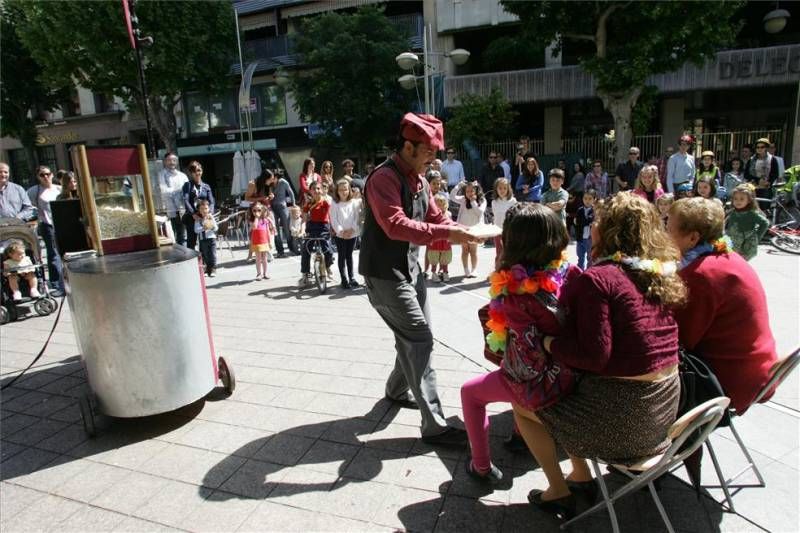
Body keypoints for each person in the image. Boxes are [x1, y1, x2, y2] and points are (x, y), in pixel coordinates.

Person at [516, 193, 685, 517]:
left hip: (624, 424)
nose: (591, 226)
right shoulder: (655, 272)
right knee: (570, 392)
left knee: (522, 404)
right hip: (662, 417)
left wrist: (548, 343)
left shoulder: (599, 279)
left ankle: (558, 490)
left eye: (596, 221)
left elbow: (593, 356)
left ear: (607, 231)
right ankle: (580, 474)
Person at [359, 112, 480, 446]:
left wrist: (467, 232)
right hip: (384, 275)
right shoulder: (383, 178)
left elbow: (437, 217)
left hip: (411, 271)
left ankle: (396, 390)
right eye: (429, 150)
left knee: (413, 338)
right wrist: (446, 232)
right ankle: (435, 425)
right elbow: (394, 225)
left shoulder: (421, 180)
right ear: (409, 146)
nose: (434, 158)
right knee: (420, 339)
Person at [461, 203, 581, 484]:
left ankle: (480, 466)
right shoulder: (571, 272)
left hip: (545, 382)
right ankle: (519, 433)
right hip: (575, 371)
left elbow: (523, 364)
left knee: (471, 393)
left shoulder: (515, 294)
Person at [667, 197, 778, 414]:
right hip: (759, 370)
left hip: (730, 384)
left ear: (692, 238)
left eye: (668, 228)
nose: (663, 235)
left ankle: (681, 448)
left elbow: (678, 339)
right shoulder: (729, 257)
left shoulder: (700, 275)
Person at [27, 166, 63, 293]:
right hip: (47, 225)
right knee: (53, 253)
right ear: (38, 177)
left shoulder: (59, 189)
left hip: (62, 223)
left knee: (64, 252)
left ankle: (63, 279)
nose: (45, 177)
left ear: (52, 175)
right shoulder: (34, 191)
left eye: (47, 174)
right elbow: (28, 207)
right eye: (42, 175)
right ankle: (56, 282)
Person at [299, 182, 334, 286]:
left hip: (324, 227)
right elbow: (304, 220)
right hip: (311, 227)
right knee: (305, 249)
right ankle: (305, 274)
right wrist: (302, 230)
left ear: (322, 190)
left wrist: (333, 228)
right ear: (310, 191)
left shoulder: (326, 202)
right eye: (314, 188)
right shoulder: (308, 204)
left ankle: (327, 266)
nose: (316, 190)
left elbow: (331, 216)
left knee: (328, 250)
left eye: (318, 188)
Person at [330, 179, 362, 289]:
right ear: (337, 191)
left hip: (352, 234)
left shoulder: (354, 202)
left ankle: (351, 277)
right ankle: (344, 278)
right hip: (341, 235)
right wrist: (341, 231)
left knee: (349, 256)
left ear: (349, 190)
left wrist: (352, 230)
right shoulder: (334, 203)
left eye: (346, 189)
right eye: (341, 190)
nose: (344, 192)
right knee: (342, 256)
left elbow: (356, 217)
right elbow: (334, 219)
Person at [726, 184, 770, 261]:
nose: (738, 201)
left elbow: (765, 223)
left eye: (742, 199)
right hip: (732, 242)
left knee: (741, 262)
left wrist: (757, 237)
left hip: (746, 245)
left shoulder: (751, 214)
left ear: (749, 200)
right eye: (735, 199)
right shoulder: (732, 212)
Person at [453, 180, 486, 278]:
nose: (469, 193)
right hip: (463, 229)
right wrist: (458, 185)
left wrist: (473, 202)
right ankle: (466, 269)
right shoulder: (463, 199)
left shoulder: (482, 200)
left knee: (473, 251)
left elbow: (479, 213)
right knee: (465, 250)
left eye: (472, 191)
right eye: (467, 191)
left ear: (476, 191)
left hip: (475, 230)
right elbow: (452, 196)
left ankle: (474, 270)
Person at [157, 152, 189, 246]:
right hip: (168, 209)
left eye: (174, 160)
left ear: (177, 162)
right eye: (169, 160)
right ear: (165, 161)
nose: (172, 162)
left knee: (182, 234)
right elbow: (163, 190)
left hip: (181, 208)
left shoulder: (182, 175)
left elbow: (187, 190)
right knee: (170, 235)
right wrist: (179, 190)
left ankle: (183, 254)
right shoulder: (161, 174)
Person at [182, 161, 215, 250]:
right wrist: (193, 214)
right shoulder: (187, 185)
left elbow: (211, 201)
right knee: (191, 241)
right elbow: (185, 200)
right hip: (192, 217)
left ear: (202, 171)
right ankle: (192, 261)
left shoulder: (206, 186)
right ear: (191, 173)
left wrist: (209, 213)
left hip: (204, 216)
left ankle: (204, 260)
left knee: (204, 241)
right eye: (194, 171)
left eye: (199, 170)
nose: (197, 173)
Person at [267, 169, 296, 257]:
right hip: (273, 207)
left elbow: (291, 193)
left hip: (283, 207)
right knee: (275, 230)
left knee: (287, 229)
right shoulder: (270, 185)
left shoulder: (283, 182)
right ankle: (280, 251)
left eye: (273, 177)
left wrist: (293, 204)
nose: (272, 179)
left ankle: (291, 248)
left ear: (276, 177)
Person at [425, 194, 454, 282]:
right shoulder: (431, 215)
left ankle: (445, 272)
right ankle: (434, 273)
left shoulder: (448, 214)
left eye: (442, 204)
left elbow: (451, 225)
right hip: (435, 241)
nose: (440, 206)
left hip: (446, 241)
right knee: (434, 257)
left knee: (445, 258)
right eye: (437, 204)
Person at [491, 177, 516, 265]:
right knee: (499, 251)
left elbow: (514, 216)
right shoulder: (494, 202)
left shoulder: (512, 201)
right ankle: (497, 271)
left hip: (509, 231)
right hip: (497, 230)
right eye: (500, 188)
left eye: (505, 188)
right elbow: (495, 215)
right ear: (496, 189)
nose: (502, 190)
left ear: (508, 189)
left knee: (509, 251)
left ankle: (509, 271)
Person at [249, 201, 274, 280]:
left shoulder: (265, 220)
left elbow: (267, 231)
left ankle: (265, 273)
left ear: (262, 211)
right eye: (254, 210)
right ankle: (259, 273)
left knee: (265, 258)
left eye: (259, 210)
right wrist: (256, 217)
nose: (257, 212)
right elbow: (255, 227)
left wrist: (269, 242)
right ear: (252, 211)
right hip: (256, 242)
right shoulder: (253, 220)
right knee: (258, 258)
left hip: (264, 241)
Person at [194, 200, 218, 277]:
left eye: (206, 208)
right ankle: (207, 269)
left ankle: (213, 269)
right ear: (199, 210)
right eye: (202, 209)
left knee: (212, 254)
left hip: (211, 239)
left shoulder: (211, 217)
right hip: (203, 240)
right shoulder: (198, 219)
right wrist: (203, 228)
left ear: (209, 209)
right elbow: (196, 230)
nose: (204, 210)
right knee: (205, 255)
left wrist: (212, 227)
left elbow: (216, 228)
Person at [574, 189, 596, 270]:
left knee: (590, 258)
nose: (587, 201)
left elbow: (591, 220)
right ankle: (580, 271)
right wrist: (586, 222)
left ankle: (588, 273)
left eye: (590, 199)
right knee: (580, 257)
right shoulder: (580, 210)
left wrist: (584, 222)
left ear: (594, 199)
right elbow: (577, 222)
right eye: (585, 198)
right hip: (580, 238)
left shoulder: (595, 210)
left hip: (590, 238)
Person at [565, 162, 585, 237]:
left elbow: (574, 185)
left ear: (580, 167)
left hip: (578, 195)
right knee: (572, 214)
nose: (576, 167)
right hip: (574, 195)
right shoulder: (576, 174)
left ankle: (577, 232)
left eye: (577, 166)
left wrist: (567, 189)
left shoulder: (580, 174)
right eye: (574, 166)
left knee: (576, 214)